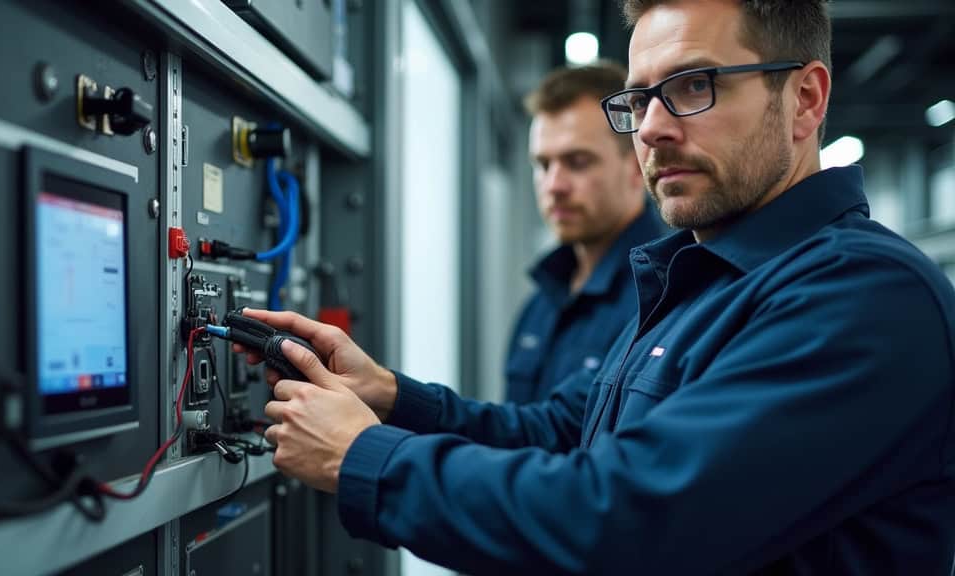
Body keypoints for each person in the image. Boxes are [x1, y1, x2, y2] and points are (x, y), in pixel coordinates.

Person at [239, 0, 955, 573]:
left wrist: (366, 458)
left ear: (804, 99)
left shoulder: (863, 296)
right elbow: (560, 435)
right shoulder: (701, 282)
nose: (651, 128)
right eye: (640, 100)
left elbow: (631, 519)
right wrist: (390, 396)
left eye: (691, 87)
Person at [506, 62, 665, 405]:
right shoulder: (541, 302)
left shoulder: (660, 298)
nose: (554, 186)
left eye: (577, 162)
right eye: (543, 165)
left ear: (638, 166)